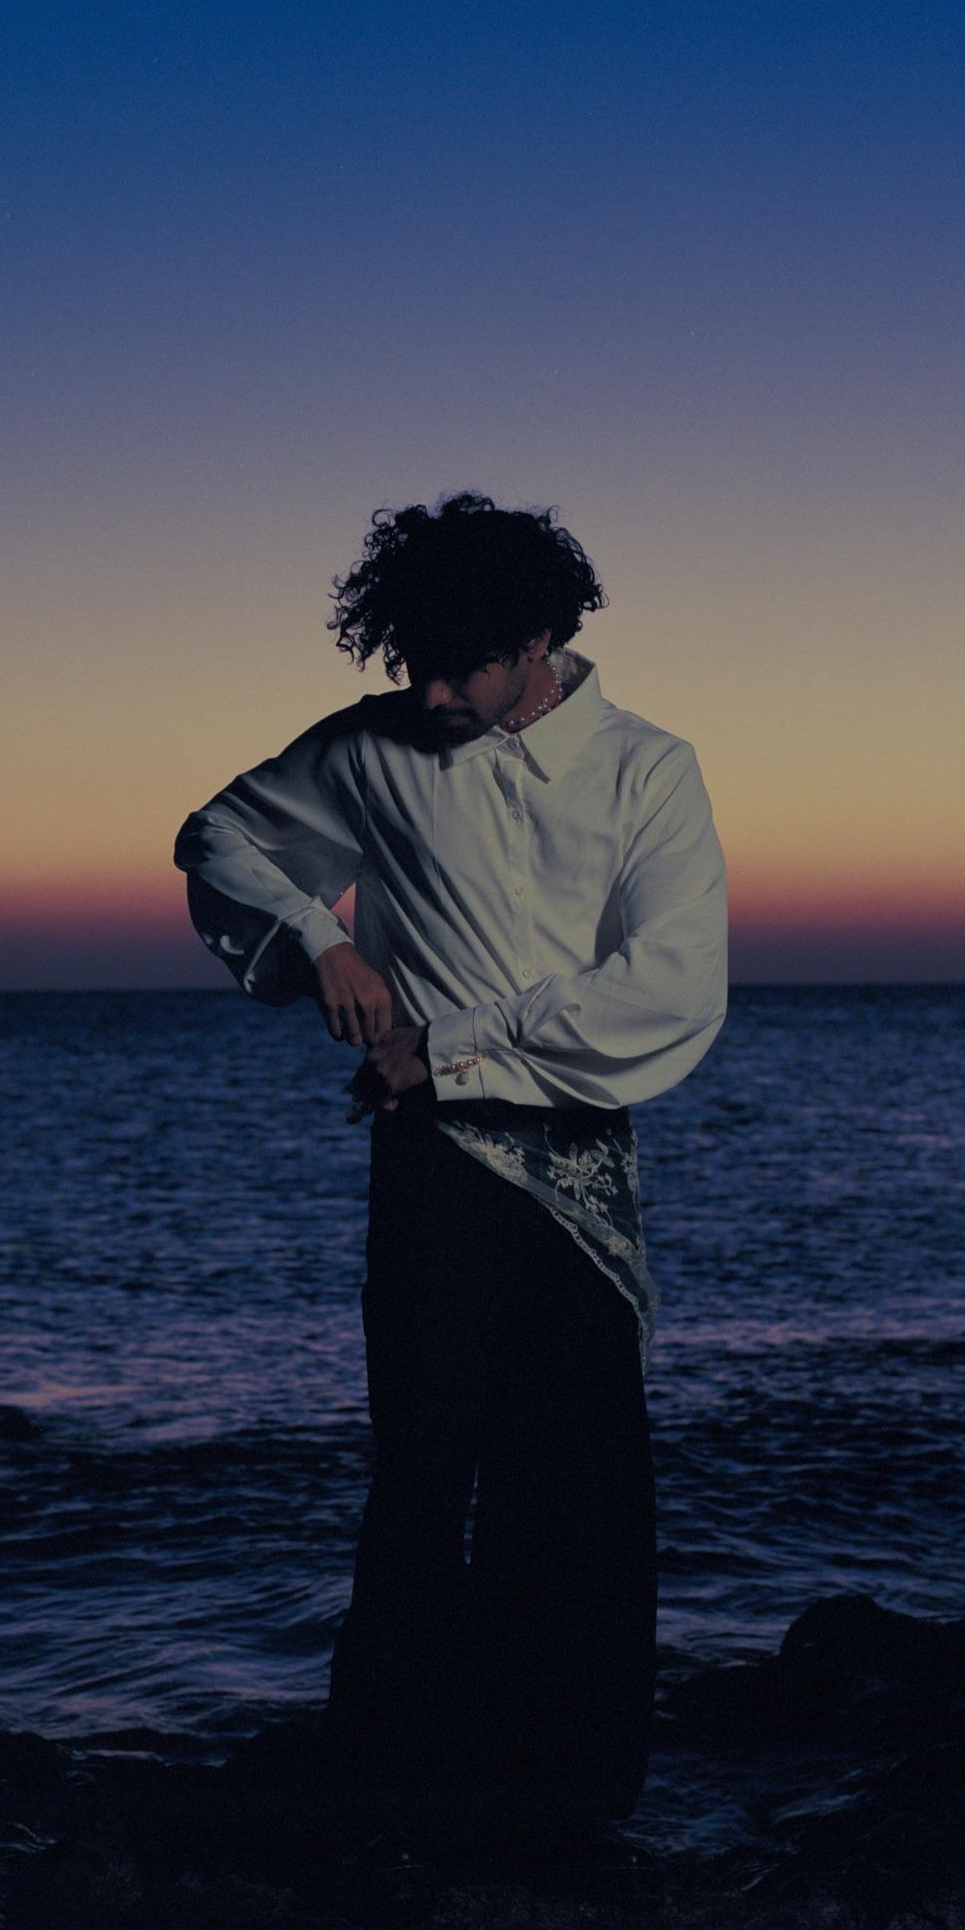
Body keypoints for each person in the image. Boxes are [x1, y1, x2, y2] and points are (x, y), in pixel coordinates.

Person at [173, 491, 728, 1829]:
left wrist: (447, 1043)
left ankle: (575, 1808)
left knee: (580, 1484)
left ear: (538, 640)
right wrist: (324, 938)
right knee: (422, 1480)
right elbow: (217, 837)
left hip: (575, 1167)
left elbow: (670, 987)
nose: (428, 692)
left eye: (459, 665)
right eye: (412, 660)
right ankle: (387, 1794)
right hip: (428, 1169)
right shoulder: (375, 748)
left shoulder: (648, 770)